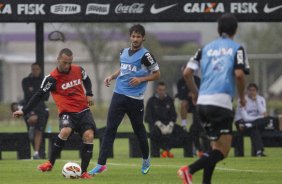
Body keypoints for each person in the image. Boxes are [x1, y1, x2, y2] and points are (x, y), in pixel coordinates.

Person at [178, 13, 250, 184]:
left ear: (218, 29)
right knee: (223, 151)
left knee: (214, 147)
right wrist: (241, 97)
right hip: (221, 102)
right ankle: (189, 170)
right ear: (235, 29)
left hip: (202, 103)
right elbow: (239, 75)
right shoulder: (237, 48)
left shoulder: (205, 48)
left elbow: (187, 73)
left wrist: (195, 93)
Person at [88, 24, 160, 175]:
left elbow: (156, 75)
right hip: (119, 95)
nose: (135, 39)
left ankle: (146, 159)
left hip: (135, 99)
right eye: (133, 36)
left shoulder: (146, 56)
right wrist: (112, 77)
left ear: (143, 38)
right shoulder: (123, 52)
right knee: (110, 129)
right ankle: (101, 164)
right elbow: (123, 68)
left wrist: (141, 79)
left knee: (139, 130)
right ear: (130, 37)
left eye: (138, 36)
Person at [13, 48, 96, 179]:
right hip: (67, 112)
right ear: (58, 60)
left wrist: (89, 93)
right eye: (64, 63)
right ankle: (50, 163)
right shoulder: (51, 79)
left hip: (83, 110)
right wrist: (24, 111)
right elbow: (38, 95)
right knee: (65, 131)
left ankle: (84, 172)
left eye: (70, 62)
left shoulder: (78, 69)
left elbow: (87, 79)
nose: (67, 66)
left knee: (89, 136)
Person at [235, 83, 278, 157]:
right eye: (250, 90)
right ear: (247, 91)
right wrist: (258, 119)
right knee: (255, 127)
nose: (252, 92)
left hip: (247, 125)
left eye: (254, 90)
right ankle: (259, 151)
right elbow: (245, 117)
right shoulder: (242, 100)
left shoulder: (261, 99)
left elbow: (263, 112)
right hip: (241, 122)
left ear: (257, 91)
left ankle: (258, 152)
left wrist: (256, 101)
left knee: (266, 120)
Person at [176, 66, 209, 157]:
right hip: (188, 103)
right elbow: (181, 96)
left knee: (195, 129)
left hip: (197, 105)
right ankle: (184, 124)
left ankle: (199, 148)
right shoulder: (180, 82)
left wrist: (195, 95)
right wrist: (189, 95)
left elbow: (202, 93)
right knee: (184, 103)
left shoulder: (197, 80)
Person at [21, 63, 49, 159]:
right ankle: (31, 130)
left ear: (40, 70)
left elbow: (46, 97)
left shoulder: (44, 81)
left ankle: (37, 152)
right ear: (31, 69)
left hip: (41, 108)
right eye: (33, 69)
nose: (35, 71)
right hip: (29, 108)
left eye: (37, 69)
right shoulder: (26, 81)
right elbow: (28, 96)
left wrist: (35, 94)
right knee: (31, 126)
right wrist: (32, 112)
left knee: (39, 130)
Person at [145, 81, 178, 158]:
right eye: (160, 90)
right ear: (157, 90)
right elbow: (147, 117)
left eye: (163, 90)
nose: (162, 92)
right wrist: (158, 123)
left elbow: (174, 115)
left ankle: (167, 151)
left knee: (183, 133)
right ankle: (156, 154)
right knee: (155, 133)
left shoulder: (169, 100)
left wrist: (171, 123)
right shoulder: (151, 101)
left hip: (168, 125)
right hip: (155, 126)